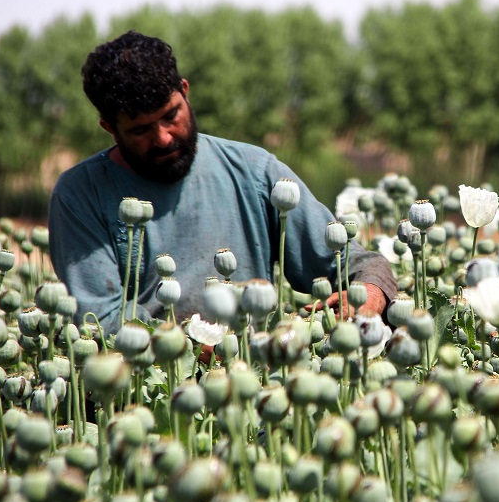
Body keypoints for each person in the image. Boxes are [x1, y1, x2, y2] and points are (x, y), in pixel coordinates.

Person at [48, 30, 396, 334]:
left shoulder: (254, 172)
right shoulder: (81, 195)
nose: (164, 138)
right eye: (140, 130)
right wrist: (197, 345)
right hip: (147, 392)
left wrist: (370, 292)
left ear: (185, 92)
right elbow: (101, 320)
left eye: (171, 115)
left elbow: (354, 263)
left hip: (254, 378)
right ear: (109, 127)